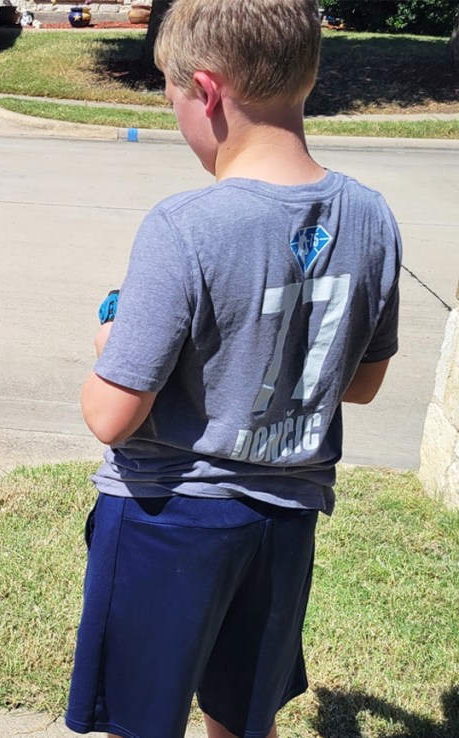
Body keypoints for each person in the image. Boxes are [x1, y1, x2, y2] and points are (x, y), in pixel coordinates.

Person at [64, 1, 401, 738]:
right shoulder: (372, 217)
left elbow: (110, 414)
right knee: (243, 719)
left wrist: (110, 343)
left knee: (138, 719)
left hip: (167, 517)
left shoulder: (184, 226)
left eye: (173, 96)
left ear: (208, 92)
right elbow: (365, 382)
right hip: (285, 521)